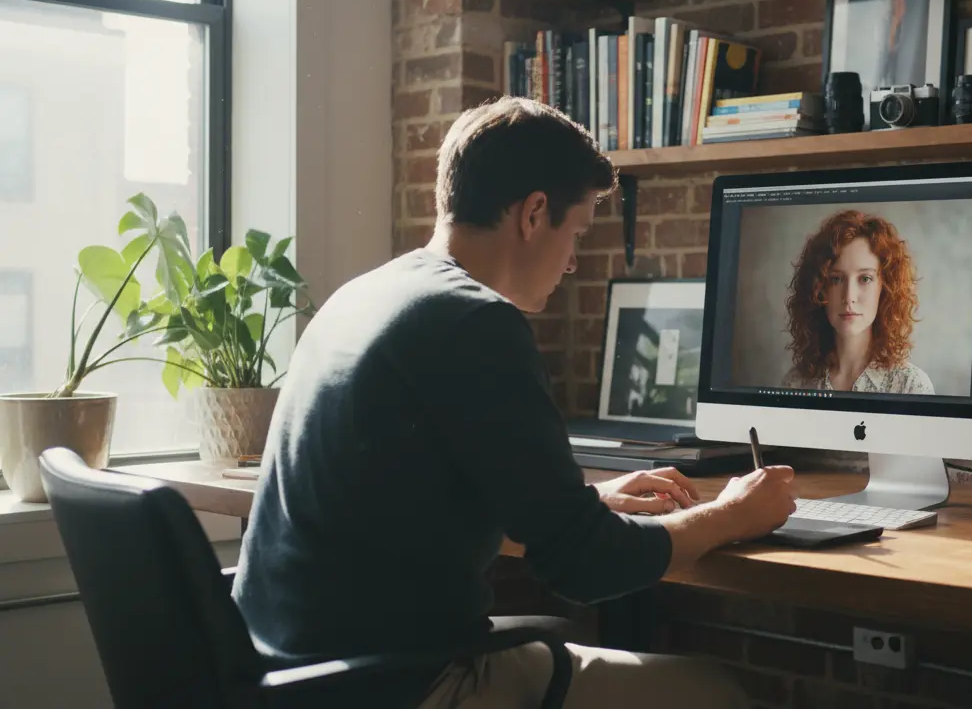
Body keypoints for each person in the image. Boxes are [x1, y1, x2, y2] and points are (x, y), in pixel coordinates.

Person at [231, 97, 797, 708]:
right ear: (533, 214)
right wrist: (733, 514)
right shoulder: (475, 322)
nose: (575, 259)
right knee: (719, 693)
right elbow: (585, 568)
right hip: (398, 685)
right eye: (576, 231)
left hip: (285, 676)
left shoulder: (365, 296)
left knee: (556, 639)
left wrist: (584, 502)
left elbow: (410, 500)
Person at [781, 209, 933, 394]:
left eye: (865, 279)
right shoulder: (795, 384)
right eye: (836, 279)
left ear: (885, 288)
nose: (849, 297)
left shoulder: (910, 386)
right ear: (818, 288)